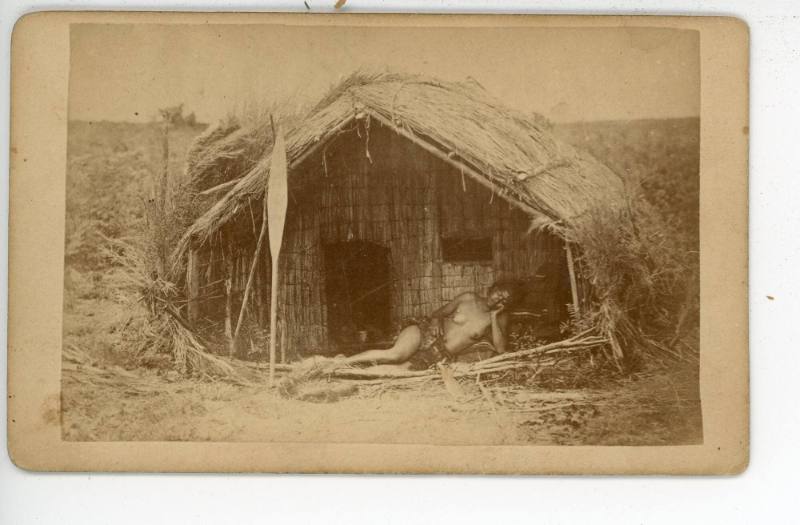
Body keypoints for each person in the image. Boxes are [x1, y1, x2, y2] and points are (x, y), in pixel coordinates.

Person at [342, 281, 519, 369]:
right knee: (395, 355)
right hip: (426, 334)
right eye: (499, 293)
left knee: (398, 371)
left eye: (505, 299)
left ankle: (352, 369)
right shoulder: (468, 298)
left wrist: (494, 316)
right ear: (493, 289)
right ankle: (340, 363)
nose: (499, 299)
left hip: (439, 354)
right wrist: (435, 321)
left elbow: (501, 349)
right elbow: (438, 313)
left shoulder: (498, 319)